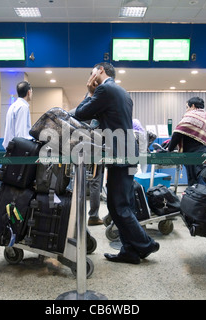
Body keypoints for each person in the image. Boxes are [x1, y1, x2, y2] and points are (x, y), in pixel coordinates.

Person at [75, 62, 159, 264]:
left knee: (118, 206)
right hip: (127, 152)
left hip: (120, 154)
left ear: (101, 71)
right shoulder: (122, 92)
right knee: (123, 204)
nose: (91, 75)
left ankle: (147, 244)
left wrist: (89, 91)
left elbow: (80, 113)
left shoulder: (104, 89)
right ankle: (129, 250)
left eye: (92, 71)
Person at [166, 96, 206, 186]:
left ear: (192, 106)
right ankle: (203, 197)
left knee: (195, 181)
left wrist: (169, 150)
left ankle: (197, 198)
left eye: (187, 107)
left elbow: (178, 133)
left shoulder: (191, 115)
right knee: (204, 178)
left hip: (194, 155)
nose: (186, 110)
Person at [2, 80, 33, 149]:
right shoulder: (23, 107)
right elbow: (21, 134)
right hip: (17, 149)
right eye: (31, 92)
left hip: (10, 147)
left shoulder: (13, 105)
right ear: (28, 92)